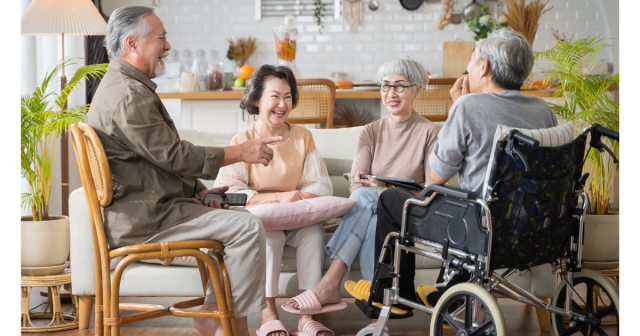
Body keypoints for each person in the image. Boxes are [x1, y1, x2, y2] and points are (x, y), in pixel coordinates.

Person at [86, 6, 280, 336]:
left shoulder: (124, 86)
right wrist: (240, 152)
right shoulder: (128, 96)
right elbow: (173, 155)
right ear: (132, 44)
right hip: (147, 220)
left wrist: (200, 192)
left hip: (152, 210)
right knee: (247, 228)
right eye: (161, 37)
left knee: (239, 221)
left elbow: (155, 161)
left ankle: (212, 313)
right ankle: (235, 327)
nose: (168, 46)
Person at [371, 28, 559, 311]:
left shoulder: (468, 106)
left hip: (481, 227)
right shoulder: (543, 110)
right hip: (533, 228)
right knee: (459, 200)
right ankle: (448, 290)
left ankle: (395, 295)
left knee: (391, 199)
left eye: (472, 60)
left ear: (483, 67)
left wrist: (458, 106)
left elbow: (435, 176)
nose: (468, 67)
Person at [285, 59, 440, 328]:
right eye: (385, 86)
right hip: (375, 212)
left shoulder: (430, 132)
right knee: (368, 206)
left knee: (370, 200)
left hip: (408, 213)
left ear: (418, 90)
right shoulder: (370, 132)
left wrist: (386, 190)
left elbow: (428, 191)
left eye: (400, 87)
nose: (391, 94)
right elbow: (356, 186)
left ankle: (332, 282)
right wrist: (370, 188)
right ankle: (376, 313)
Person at [214, 65, 334, 336]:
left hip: (298, 217)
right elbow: (229, 193)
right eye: (275, 96)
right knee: (269, 236)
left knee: (314, 233)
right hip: (263, 221)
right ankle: (268, 314)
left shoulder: (304, 137)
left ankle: (307, 317)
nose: (283, 104)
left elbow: (320, 184)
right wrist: (276, 198)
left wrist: (296, 200)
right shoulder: (242, 141)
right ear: (257, 100)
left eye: (288, 96)